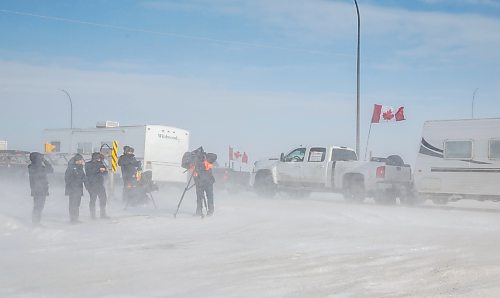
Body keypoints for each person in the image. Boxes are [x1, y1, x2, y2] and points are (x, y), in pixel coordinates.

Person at [28, 152, 53, 225]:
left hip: (40, 190)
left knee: (38, 207)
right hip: (39, 190)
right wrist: (45, 161)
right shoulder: (37, 167)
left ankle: (36, 222)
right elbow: (51, 170)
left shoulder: (32, 166)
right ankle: (36, 223)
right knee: (38, 207)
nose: (42, 159)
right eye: (40, 158)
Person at [192, 150, 216, 216]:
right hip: (200, 182)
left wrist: (206, 156)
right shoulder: (195, 164)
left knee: (209, 196)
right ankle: (199, 211)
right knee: (199, 197)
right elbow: (194, 174)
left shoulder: (208, 159)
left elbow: (214, 156)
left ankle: (210, 210)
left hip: (208, 181)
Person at [85, 152, 109, 219]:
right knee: (93, 200)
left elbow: (105, 173)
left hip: (100, 184)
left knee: (103, 199)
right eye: (98, 158)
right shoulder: (88, 164)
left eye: (100, 159)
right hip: (92, 185)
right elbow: (89, 172)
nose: (100, 160)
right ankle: (92, 216)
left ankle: (103, 214)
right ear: (95, 158)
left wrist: (104, 171)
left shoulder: (101, 164)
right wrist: (99, 170)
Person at [65, 154, 87, 224]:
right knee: (73, 204)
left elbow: (83, 177)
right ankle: (73, 219)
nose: (82, 161)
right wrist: (75, 183)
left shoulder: (80, 167)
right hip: (73, 189)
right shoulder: (71, 168)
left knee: (77, 204)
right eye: (80, 160)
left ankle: (76, 218)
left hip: (79, 189)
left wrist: (87, 185)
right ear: (77, 161)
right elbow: (67, 178)